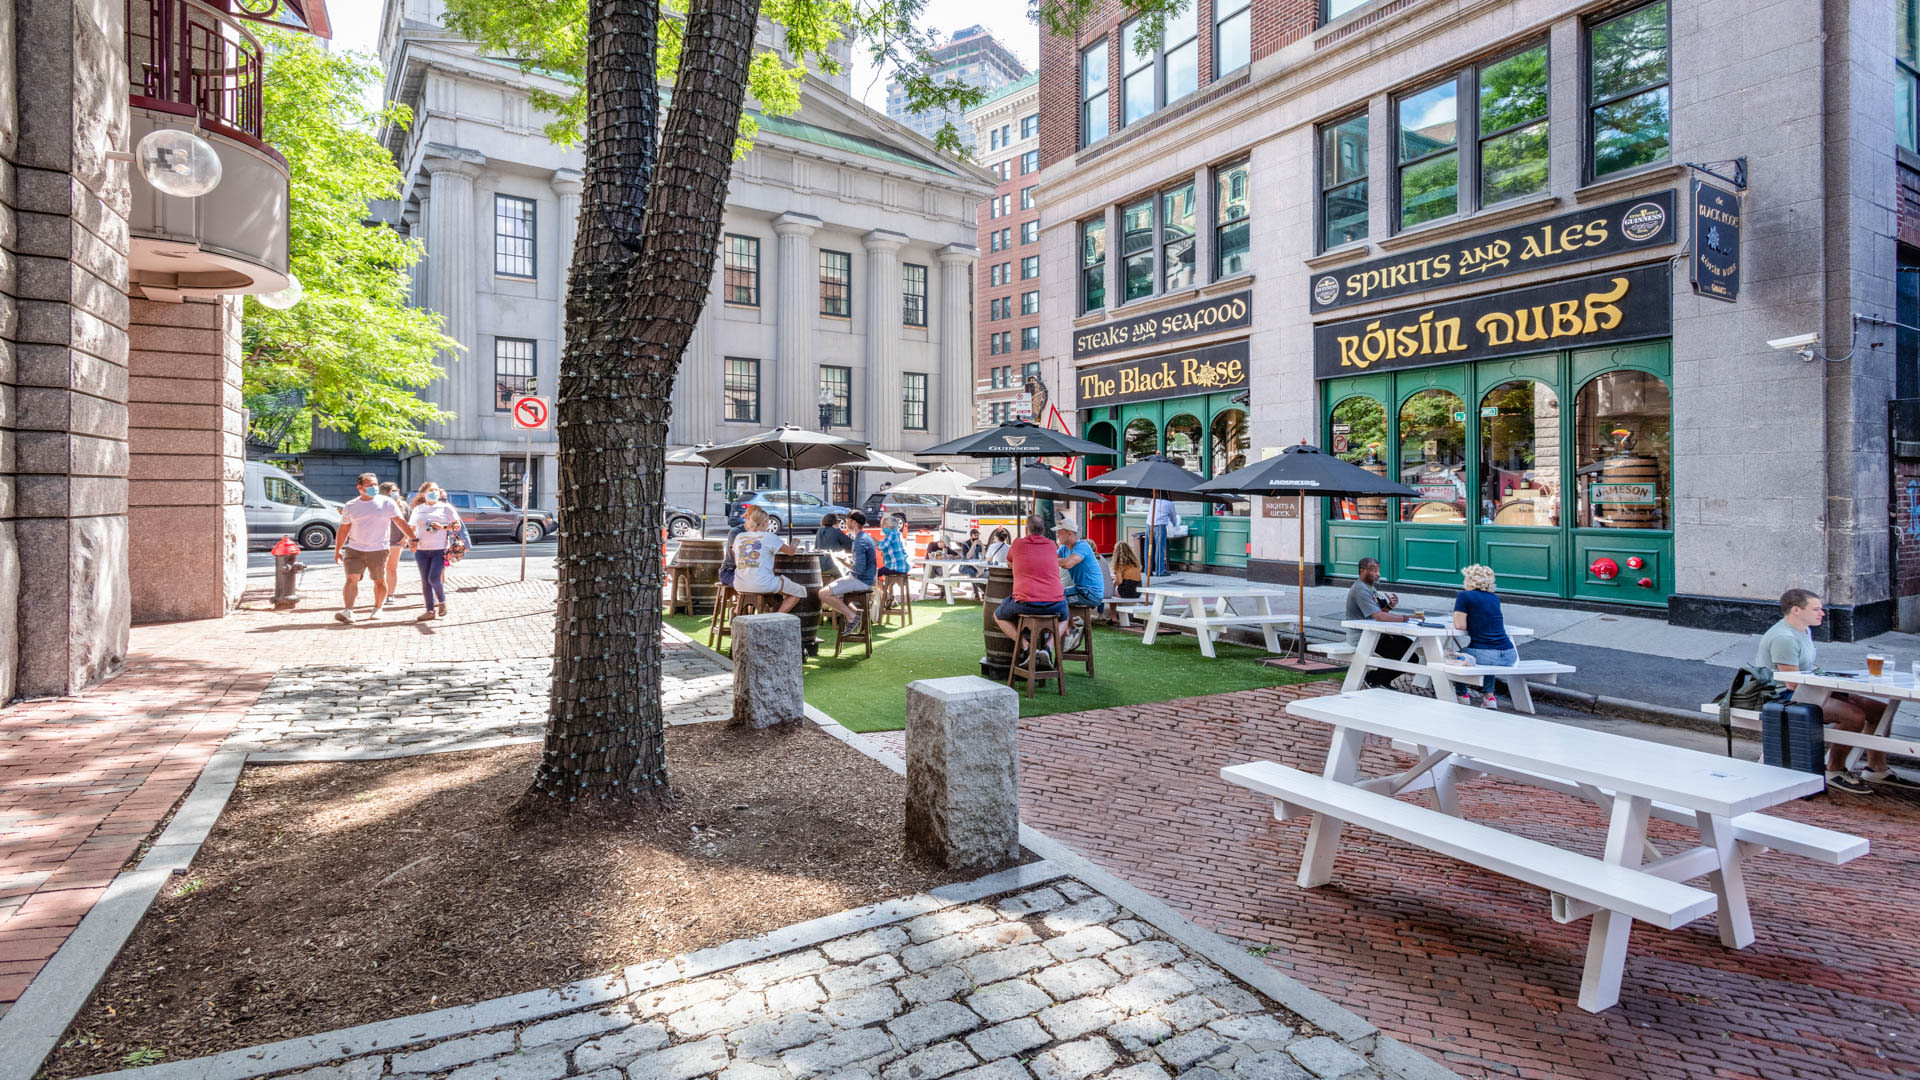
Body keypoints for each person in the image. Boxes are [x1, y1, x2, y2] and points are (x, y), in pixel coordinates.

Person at [1755, 589, 1913, 794]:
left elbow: (1806, 670)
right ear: (1796, 610)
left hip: (1810, 688)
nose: (1822, 613)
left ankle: (1877, 768)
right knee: (1854, 716)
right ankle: (1834, 769)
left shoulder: (1803, 630)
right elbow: (1792, 684)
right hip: (1785, 697)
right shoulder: (1783, 637)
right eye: (1816, 609)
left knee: (1879, 710)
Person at [334, 473, 414, 623]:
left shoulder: (387, 502)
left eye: (375, 484)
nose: (374, 487)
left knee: (379, 580)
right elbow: (344, 529)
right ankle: (348, 611)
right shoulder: (351, 505)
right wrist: (337, 549)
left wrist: (412, 538)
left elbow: (401, 522)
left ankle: (378, 608)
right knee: (352, 579)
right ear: (359, 487)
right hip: (355, 549)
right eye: (370, 485)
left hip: (379, 549)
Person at [994, 516, 1071, 669]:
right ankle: (1048, 648)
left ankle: (1028, 648)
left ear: (1026, 530)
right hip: (1055, 602)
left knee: (998, 615)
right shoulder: (1051, 545)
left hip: (1026, 603)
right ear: (1043, 530)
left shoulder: (1017, 543)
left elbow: (1010, 562)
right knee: (1065, 618)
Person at [1451, 564, 1515, 708]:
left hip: (1486, 654)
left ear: (1470, 579)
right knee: (1488, 659)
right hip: (1509, 654)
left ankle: (1462, 694)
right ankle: (1489, 697)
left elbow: (1460, 625)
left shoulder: (1464, 596)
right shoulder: (1494, 598)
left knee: (1459, 655)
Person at [1345, 557, 1413, 689]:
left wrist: (1390, 607)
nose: (1378, 574)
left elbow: (1377, 613)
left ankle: (1380, 679)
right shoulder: (1361, 590)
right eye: (1374, 571)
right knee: (1407, 656)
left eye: (1378, 570)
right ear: (1363, 571)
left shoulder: (1369, 587)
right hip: (1364, 636)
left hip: (1375, 633)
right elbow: (1379, 616)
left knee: (1410, 649)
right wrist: (1406, 618)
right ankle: (1373, 679)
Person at [731, 506, 805, 613]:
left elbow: (736, 558)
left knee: (777, 582)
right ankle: (774, 619)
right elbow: (791, 552)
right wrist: (795, 543)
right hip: (763, 584)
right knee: (798, 591)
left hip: (739, 584)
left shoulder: (739, 537)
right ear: (765, 522)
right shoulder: (769, 537)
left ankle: (737, 611)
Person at [406, 482, 463, 621]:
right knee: (425, 581)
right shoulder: (418, 509)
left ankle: (442, 602)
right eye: (431, 490)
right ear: (423, 493)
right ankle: (429, 610)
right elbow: (411, 528)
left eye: (436, 490)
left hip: (440, 549)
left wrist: (442, 526)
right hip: (422, 550)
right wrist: (410, 541)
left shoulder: (446, 508)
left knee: (434, 578)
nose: (434, 493)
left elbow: (457, 526)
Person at [818, 509, 878, 634]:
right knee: (834, 592)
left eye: (847, 520)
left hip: (861, 580)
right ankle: (855, 614)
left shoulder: (859, 541)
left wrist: (843, 561)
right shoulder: (864, 538)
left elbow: (858, 570)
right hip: (864, 578)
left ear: (854, 522)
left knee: (823, 594)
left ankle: (852, 616)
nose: (845, 522)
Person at [1055, 524, 1105, 653]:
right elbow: (1053, 561)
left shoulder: (1082, 546)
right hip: (1079, 589)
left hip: (1089, 593)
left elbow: (1068, 563)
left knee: (1057, 598)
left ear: (1070, 533)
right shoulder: (1064, 549)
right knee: (1056, 595)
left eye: (1060, 533)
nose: (1057, 535)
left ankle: (1071, 630)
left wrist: (1054, 561)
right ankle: (1069, 628)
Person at [379, 482, 407, 603]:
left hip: (396, 541)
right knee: (379, 570)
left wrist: (406, 537)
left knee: (392, 568)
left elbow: (411, 523)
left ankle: (390, 595)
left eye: (397, 490)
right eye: (393, 490)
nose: (397, 492)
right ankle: (380, 594)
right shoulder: (378, 504)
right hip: (379, 541)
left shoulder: (404, 506)